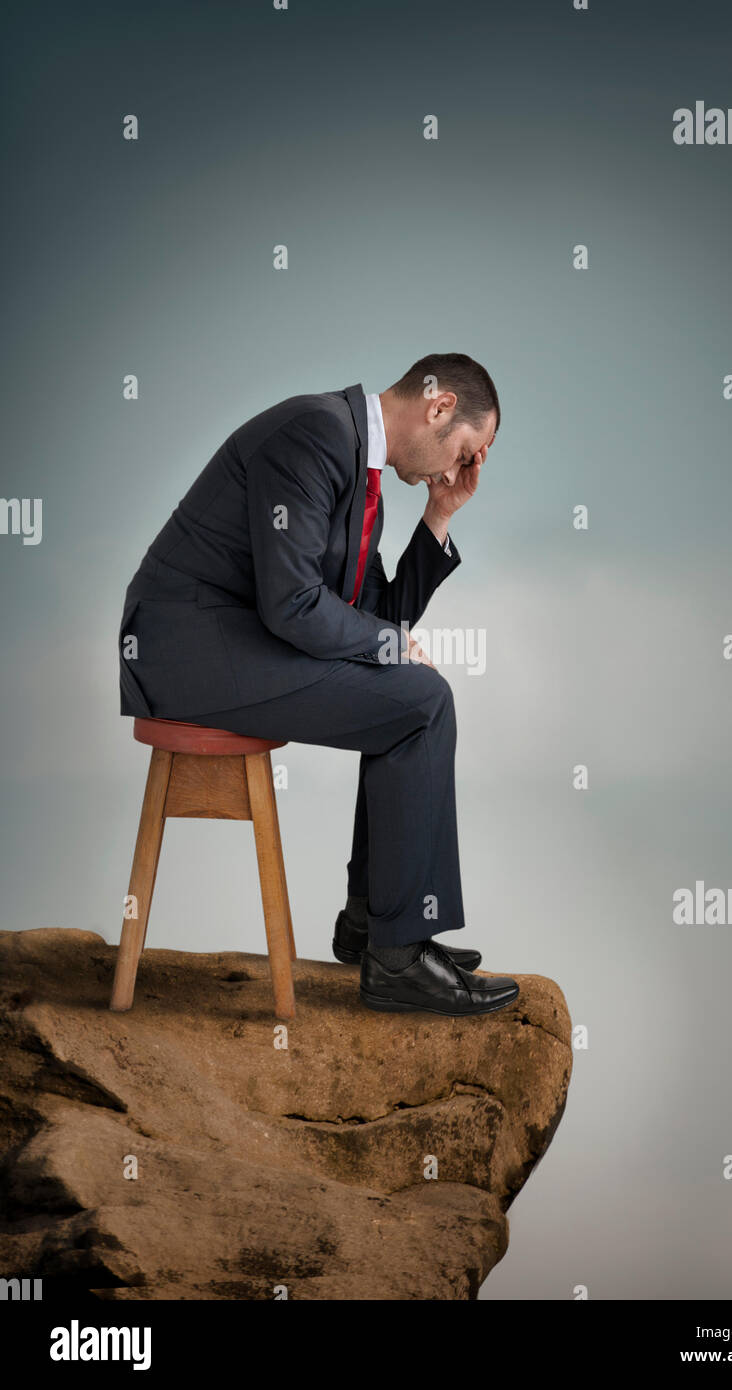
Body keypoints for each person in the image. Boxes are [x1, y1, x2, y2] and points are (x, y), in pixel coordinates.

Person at [118, 353, 519, 1016]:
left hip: (228, 644)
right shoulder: (314, 433)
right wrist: (388, 646)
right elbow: (295, 606)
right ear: (440, 407)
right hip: (184, 649)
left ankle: (376, 928)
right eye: (465, 454)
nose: (456, 471)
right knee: (420, 702)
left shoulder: (360, 469)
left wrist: (440, 517)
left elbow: (374, 619)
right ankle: (396, 953)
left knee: (405, 700)